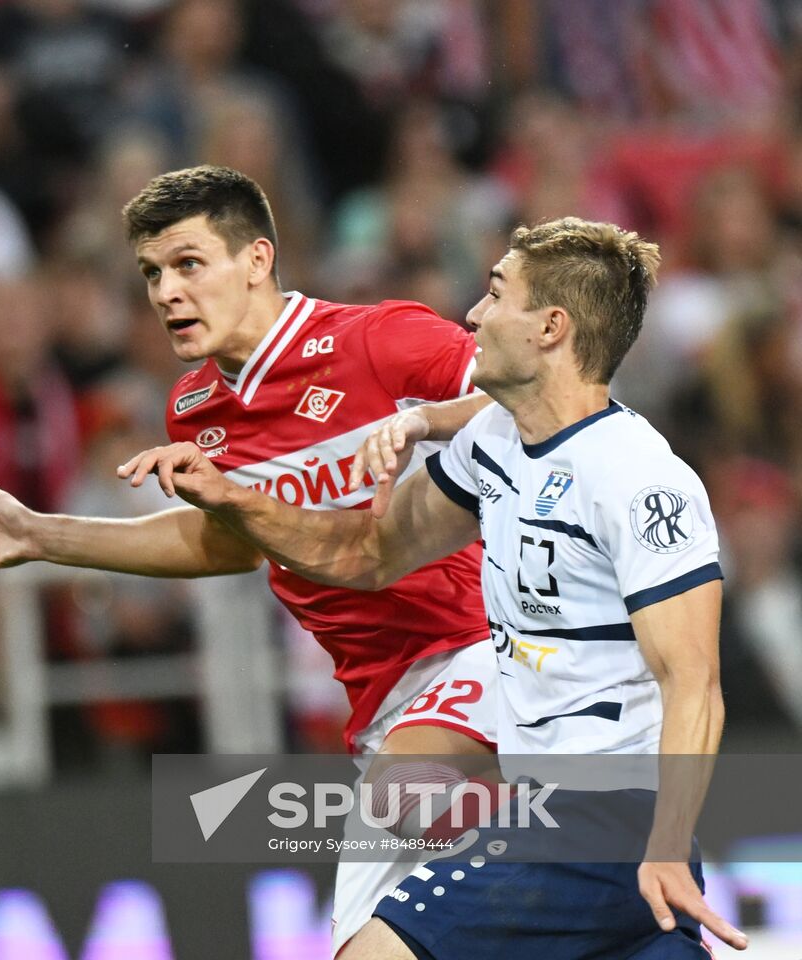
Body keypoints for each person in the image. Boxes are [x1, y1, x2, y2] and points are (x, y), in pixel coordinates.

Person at [119, 216, 749, 957]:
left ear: (550, 327)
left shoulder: (639, 480)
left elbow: (695, 683)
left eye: (494, 295)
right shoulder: (496, 443)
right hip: (570, 826)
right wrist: (239, 501)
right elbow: (368, 555)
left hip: (606, 821)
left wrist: (667, 845)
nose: (475, 315)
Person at [0, 164, 497, 954]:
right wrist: (43, 537)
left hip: (484, 654)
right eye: (151, 273)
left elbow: (536, 394)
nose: (165, 291)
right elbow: (227, 543)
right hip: (382, 702)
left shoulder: (380, 338)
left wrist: (425, 422)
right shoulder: (196, 410)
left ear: (257, 261)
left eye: (188, 264)